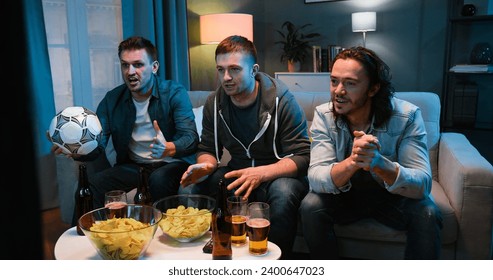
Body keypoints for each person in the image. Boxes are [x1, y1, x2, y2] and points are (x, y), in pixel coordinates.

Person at [299, 46, 443, 259]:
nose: (338, 91)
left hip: (393, 199)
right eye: (334, 81)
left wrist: (378, 162)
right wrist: (353, 162)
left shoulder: (407, 116)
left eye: (350, 83)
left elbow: (422, 184)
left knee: (428, 212)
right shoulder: (324, 115)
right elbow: (316, 178)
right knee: (310, 206)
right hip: (345, 198)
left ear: (373, 88)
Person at [179, 35, 311, 259]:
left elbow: (302, 156)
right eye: (221, 70)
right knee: (190, 188)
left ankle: (276, 264)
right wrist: (205, 166)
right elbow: (208, 149)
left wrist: (260, 173)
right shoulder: (214, 103)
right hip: (238, 172)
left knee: (284, 192)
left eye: (234, 69)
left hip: (277, 174)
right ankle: (204, 258)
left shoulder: (283, 101)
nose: (226, 77)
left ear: (253, 69)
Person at [51, 36, 199, 209]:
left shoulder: (174, 93)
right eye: (125, 65)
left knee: (158, 180)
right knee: (93, 185)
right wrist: (76, 149)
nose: (130, 72)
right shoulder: (111, 100)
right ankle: (85, 235)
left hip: (172, 164)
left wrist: (169, 148)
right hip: (135, 167)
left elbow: (190, 137)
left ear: (154, 67)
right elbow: (98, 145)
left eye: (138, 64)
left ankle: (158, 234)